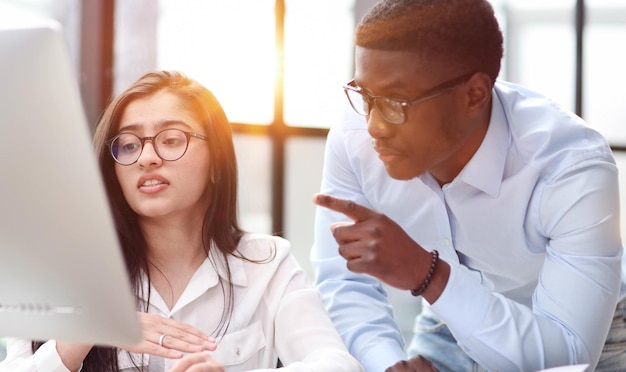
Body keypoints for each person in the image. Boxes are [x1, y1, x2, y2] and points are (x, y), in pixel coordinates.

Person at [310, 0, 626, 371]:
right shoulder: (354, 137)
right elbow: (344, 284)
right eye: (365, 95)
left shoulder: (570, 169)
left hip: (582, 334)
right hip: (446, 320)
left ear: (474, 95)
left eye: (396, 101)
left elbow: (566, 357)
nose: (374, 126)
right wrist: (389, 365)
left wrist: (423, 272)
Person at [0, 70, 363, 372]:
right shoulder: (63, 274)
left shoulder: (266, 263)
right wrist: (77, 340)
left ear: (217, 163)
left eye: (171, 139)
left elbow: (337, 364)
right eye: (128, 145)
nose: (147, 157)